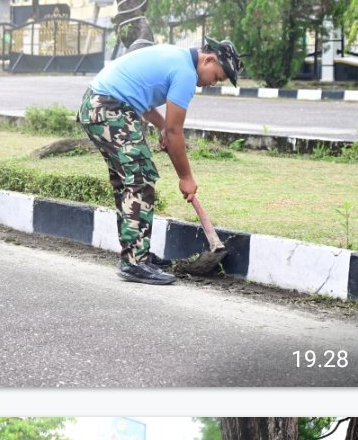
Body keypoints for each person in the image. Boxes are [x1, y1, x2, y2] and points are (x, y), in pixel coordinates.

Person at [78, 37, 243, 285]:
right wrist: (186, 177)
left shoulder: (174, 57)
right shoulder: (186, 73)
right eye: (217, 77)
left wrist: (162, 127)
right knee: (140, 180)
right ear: (208, 59)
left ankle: (136, 253)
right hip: (109, 107)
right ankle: (135, 262)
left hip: (99, 105)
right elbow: (176, 132)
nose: (212, 83)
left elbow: (144, 102)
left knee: (128, 182)